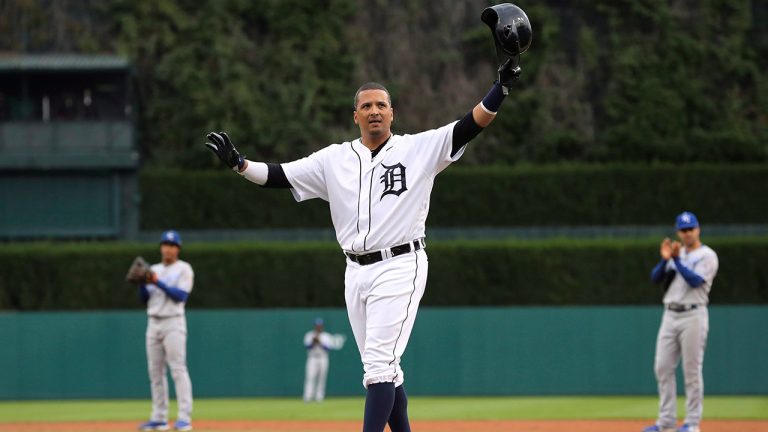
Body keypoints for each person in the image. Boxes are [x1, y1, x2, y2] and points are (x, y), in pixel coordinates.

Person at [205, 41, 522, 432]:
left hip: (401, 265)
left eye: (381, 105)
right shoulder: (333, 159)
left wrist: (501, 88)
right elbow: (278, 175)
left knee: (377, 367)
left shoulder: (418, 149)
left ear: (392, 113)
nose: (374, 110)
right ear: (355, 115)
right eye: (367, 105)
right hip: (355, 272)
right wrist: (239, 164)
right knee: (387, 370)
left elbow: (470, 124)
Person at [644, 212, 719, 432]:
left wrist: (676, 260)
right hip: (670, 313)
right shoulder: (676, 253)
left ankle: (692, 424)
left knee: (692, 371)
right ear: (678, 232)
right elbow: (655, 278)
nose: (687, 233)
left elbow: (695, 281)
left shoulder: (708, 255)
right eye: (683, 230)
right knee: (662, 367)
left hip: (693, 315)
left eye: (691, 229)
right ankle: (666, 421)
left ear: (698, 229)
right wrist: (665, 259)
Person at [138, 231, 195, 432]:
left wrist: (156, 282)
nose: (168, 248)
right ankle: (159, 418)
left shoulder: (184, 269)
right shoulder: (153, 269)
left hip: (174, 322)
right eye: (165, 244)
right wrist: (142, 284)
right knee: (155, 372)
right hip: (153, 321)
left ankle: (184, 418)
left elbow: (180, 296)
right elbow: (145, 300)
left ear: (177, 249)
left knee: (178, 369)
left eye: (172, 245)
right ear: (161, 247)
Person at [303, 317, 336, 402]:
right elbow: (307, 347)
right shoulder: (310, 335)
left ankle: (319, 397)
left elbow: (328, 348)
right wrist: (313, 342)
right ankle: (308, 396)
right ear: (315, 326)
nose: (318, 327)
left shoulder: (326, 336)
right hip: (312, 358)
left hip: (323, 358)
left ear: (322, 326)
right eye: (317, 325)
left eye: (320, 325)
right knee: (310, 377)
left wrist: (320, 342)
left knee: (322, 378)